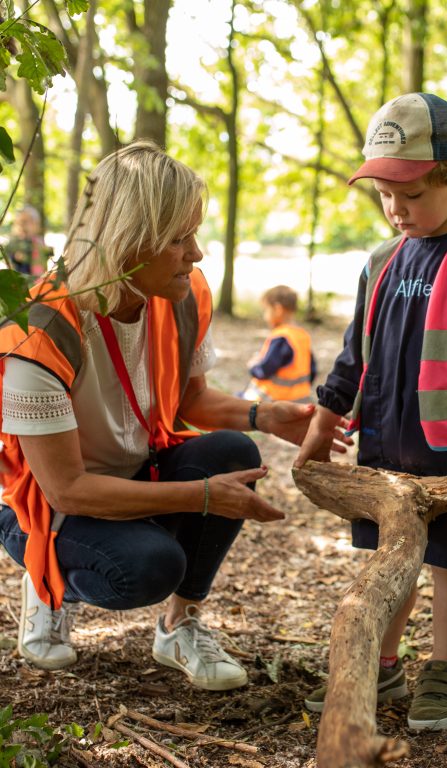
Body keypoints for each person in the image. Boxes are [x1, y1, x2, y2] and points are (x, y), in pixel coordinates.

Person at [0, 142, 347, 691]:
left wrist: (265, 414)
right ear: (128, 241)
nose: (198, 253)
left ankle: (178, 625)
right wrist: (202, 497)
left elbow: (190, 403)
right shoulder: (40, 329)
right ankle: (46, 582)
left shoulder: (180, 294)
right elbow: (66, 489)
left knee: (235, 452)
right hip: (47, 506)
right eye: (180, 238)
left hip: (133, 470)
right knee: (149, 568)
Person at [294, 93, 447, 729]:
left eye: (413, 194)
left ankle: (444, 670)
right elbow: (353, 355)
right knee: (391, 561)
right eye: (384, 195)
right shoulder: (380, 261)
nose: (397, 209)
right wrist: (322, 427)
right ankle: (385, 664)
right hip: (386, 449)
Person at [241, 284, 316, 403]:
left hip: (274, 400)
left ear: (277, 309)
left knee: (239, 399)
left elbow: (265, 370)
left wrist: (253, 366)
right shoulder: (303, 336)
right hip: (301, 400)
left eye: (266, 310)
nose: (265, 316)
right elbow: (312, 370)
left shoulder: (281, 338)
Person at [5, 205, 53, 277]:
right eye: (18, 222)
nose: (21, 225)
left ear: (36, 224)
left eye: (25, 222)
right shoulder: (14, 243)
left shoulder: (38, 241)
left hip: (38, 282)